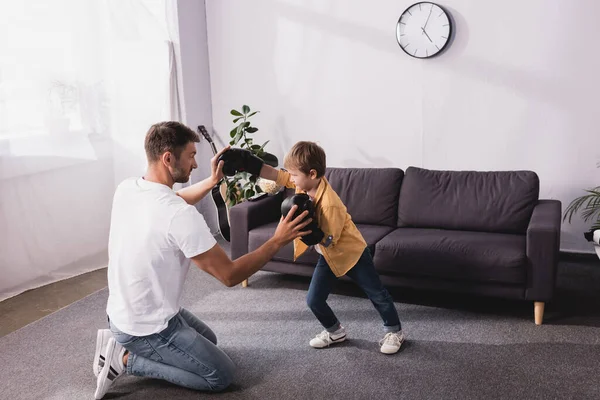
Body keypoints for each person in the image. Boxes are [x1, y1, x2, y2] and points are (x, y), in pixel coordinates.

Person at [93, 121, 311, 399]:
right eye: (191, 156)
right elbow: (229, 275)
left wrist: (212, 181)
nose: (195, 164)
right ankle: (123, 359)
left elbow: (177, 199)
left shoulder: (129, 189)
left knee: (211, 341)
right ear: (168, 158)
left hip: (125, 312)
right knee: (219, 375)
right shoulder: (178, 216)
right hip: (145, 327)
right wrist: (277, 240)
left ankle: (123, 342)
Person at [258, 141, 405, 354]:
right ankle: (335, 331)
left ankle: (395, 332)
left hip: (352, 253)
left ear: (312, 173)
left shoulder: (330, 204)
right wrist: (252, 165)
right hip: (328, 256)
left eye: (294, 175)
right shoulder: (304, 183)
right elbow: (279, 176)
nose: (291, 179)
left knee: (377, 293)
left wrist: (305, 231)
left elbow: (329, 239)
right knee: (313, 300)